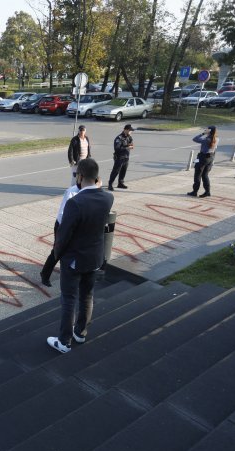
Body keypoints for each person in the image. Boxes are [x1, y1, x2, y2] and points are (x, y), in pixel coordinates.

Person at [47, 158, 114, 354]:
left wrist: (57, 255)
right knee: (87, 296)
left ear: (80, 176)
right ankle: (80, 333)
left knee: (69, 298)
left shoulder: (74, 203)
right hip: (95, 257)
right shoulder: (108, 198)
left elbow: (63, 235)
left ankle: (64, 341)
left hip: (74, 259)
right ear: (97, 178)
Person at [40, 177, 83, 287]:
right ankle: (45, 274)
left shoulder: (87, 191)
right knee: (58, 251)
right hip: (63, 225)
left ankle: (72, 275)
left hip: (76, 225)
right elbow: (64, 213)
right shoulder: (72, 191)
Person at [187, 125, 217, 198]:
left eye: (207, 129)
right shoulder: (216, 139)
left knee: (197, 175)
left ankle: (195, 191)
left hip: (202, 158)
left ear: (209, 131)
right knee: (205, 175)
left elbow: (195, 139)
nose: (205, 130)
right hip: (211, 158)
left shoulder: (206, 140)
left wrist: (203, 133)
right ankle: (207, 191)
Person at [108, 124, 134, 191]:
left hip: (126, 157)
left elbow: (131, 144)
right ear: (126, 130)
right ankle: (110, 184)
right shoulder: (119, 138)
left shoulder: (129, 137)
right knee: (116, 171)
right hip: (119, 157)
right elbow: (117, 148)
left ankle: (120, 183)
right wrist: (127, 147)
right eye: (130, 131)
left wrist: (130, 145)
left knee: (123, 171)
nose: (131, 132)